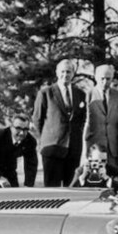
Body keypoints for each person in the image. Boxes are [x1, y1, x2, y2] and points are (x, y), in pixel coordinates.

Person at [32, 59, 87, 187]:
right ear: (57, 73)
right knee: (52, 189)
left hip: (73, 148)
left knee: (72, 187)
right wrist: (46, 138)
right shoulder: (46, 93)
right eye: (62, 71)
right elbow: (37, 119)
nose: (65, 75)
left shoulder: (80, 94)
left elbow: (82, 119)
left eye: (68, 72)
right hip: (52, 148)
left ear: (73, 73)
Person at [83, 64, 118, 176]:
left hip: (113, 146)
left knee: (113, 179)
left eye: (108, 79)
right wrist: (84, 148)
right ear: (96, 77)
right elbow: (85, 123)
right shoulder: (88, 95)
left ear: (112, 78)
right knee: (94, 179)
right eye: (102, 78)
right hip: (94, 147)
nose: (105, 81)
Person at [0, 114, 38, 188]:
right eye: (18, 128)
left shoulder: (30, 141)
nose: (22, 133)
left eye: (25, 129)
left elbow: (31, 165)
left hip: (10, 170)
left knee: (14, 194)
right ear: (11, 127)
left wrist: (28, 185)